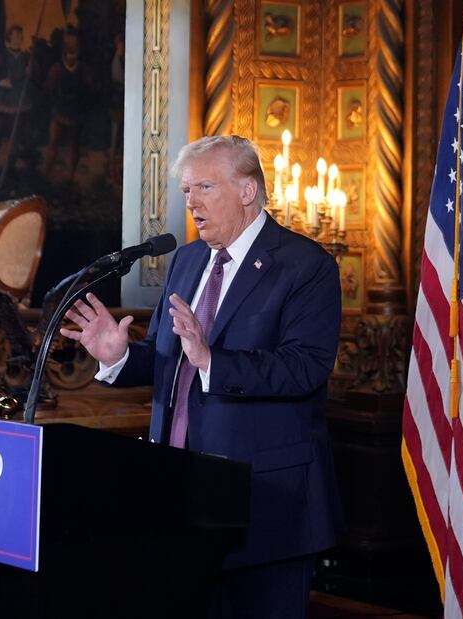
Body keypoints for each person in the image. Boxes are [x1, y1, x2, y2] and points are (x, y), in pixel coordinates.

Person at [60, 135, 342, 618]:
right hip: (179, 497)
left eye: (204, 187)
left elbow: (305, 367)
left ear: (248, 191)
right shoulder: (188, 260)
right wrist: (120, 356)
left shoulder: (306, 266)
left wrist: (213, 360)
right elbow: (175, 360)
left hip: (265, 506)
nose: (190, 202)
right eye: (187, 190)